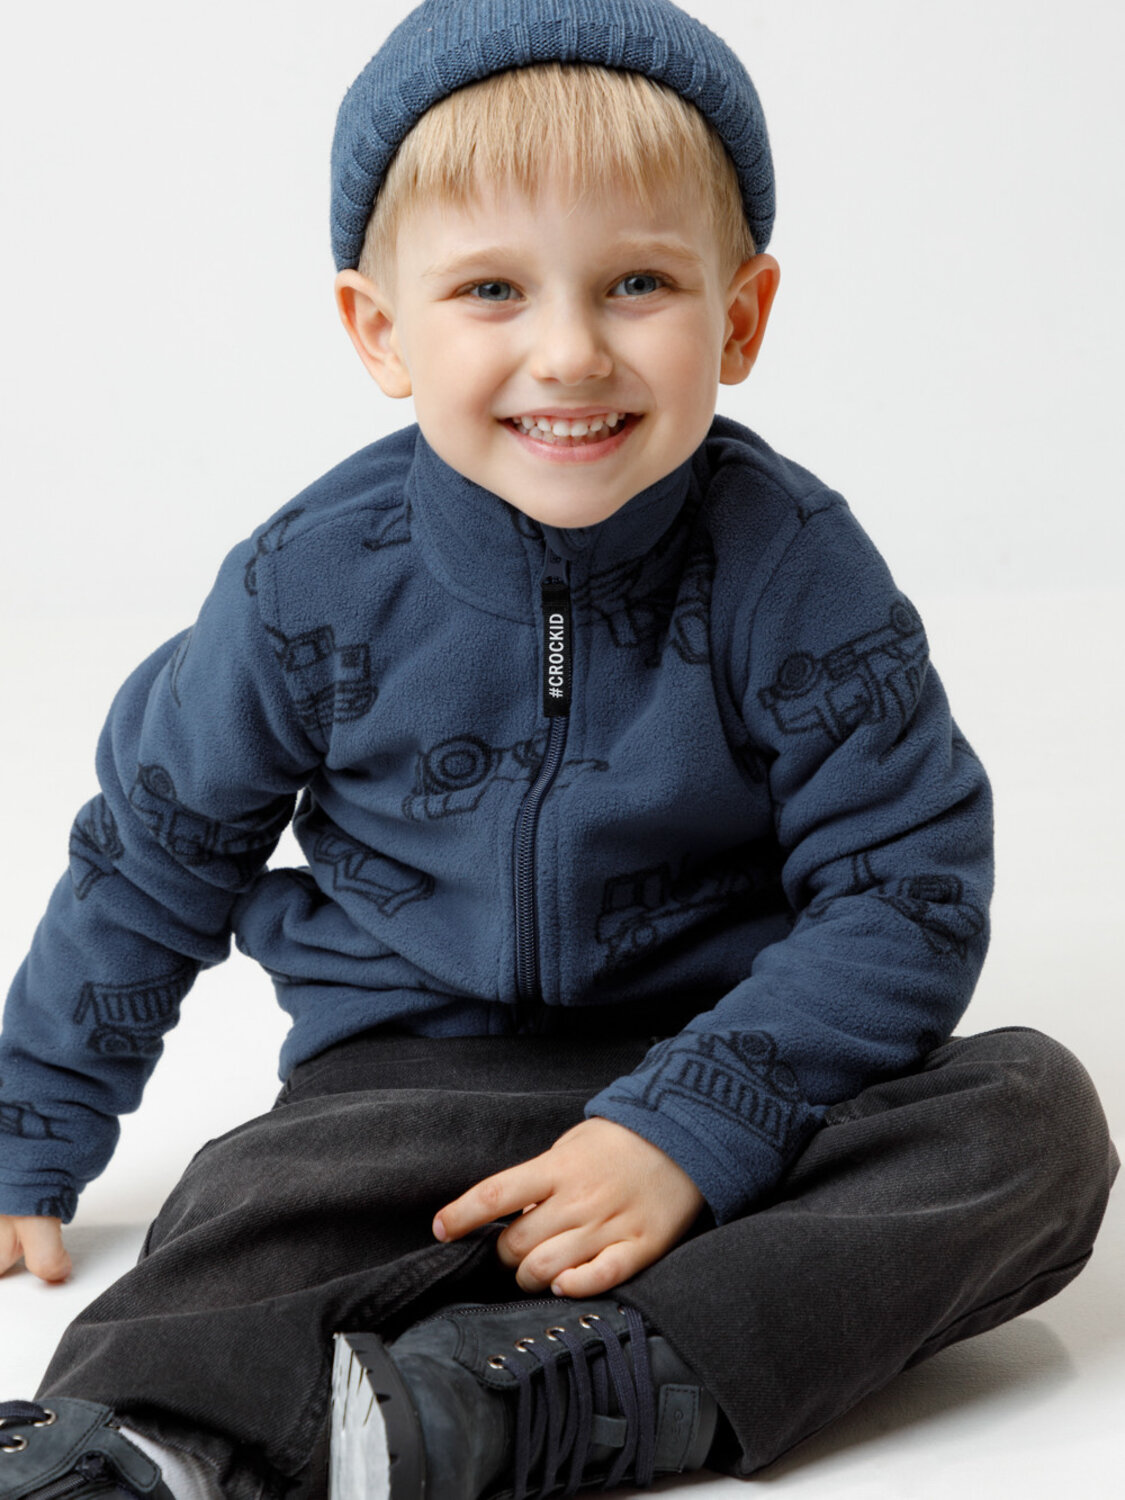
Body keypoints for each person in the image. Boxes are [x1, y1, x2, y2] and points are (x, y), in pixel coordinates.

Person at [0, 1, 1117, 1498]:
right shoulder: (301, 587)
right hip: (407, 1096)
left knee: (1031, 1126)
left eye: (638, 283)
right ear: (382, 331)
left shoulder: (794, 568)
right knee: (247, 1210)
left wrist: (688, 1127)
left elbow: (904, 892)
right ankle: (147, 1442)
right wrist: (30, 1125)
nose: (571, 353)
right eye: (491, 290)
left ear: (740, 317)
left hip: (742, 1072)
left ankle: (545, 1396)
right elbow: (153, 858)